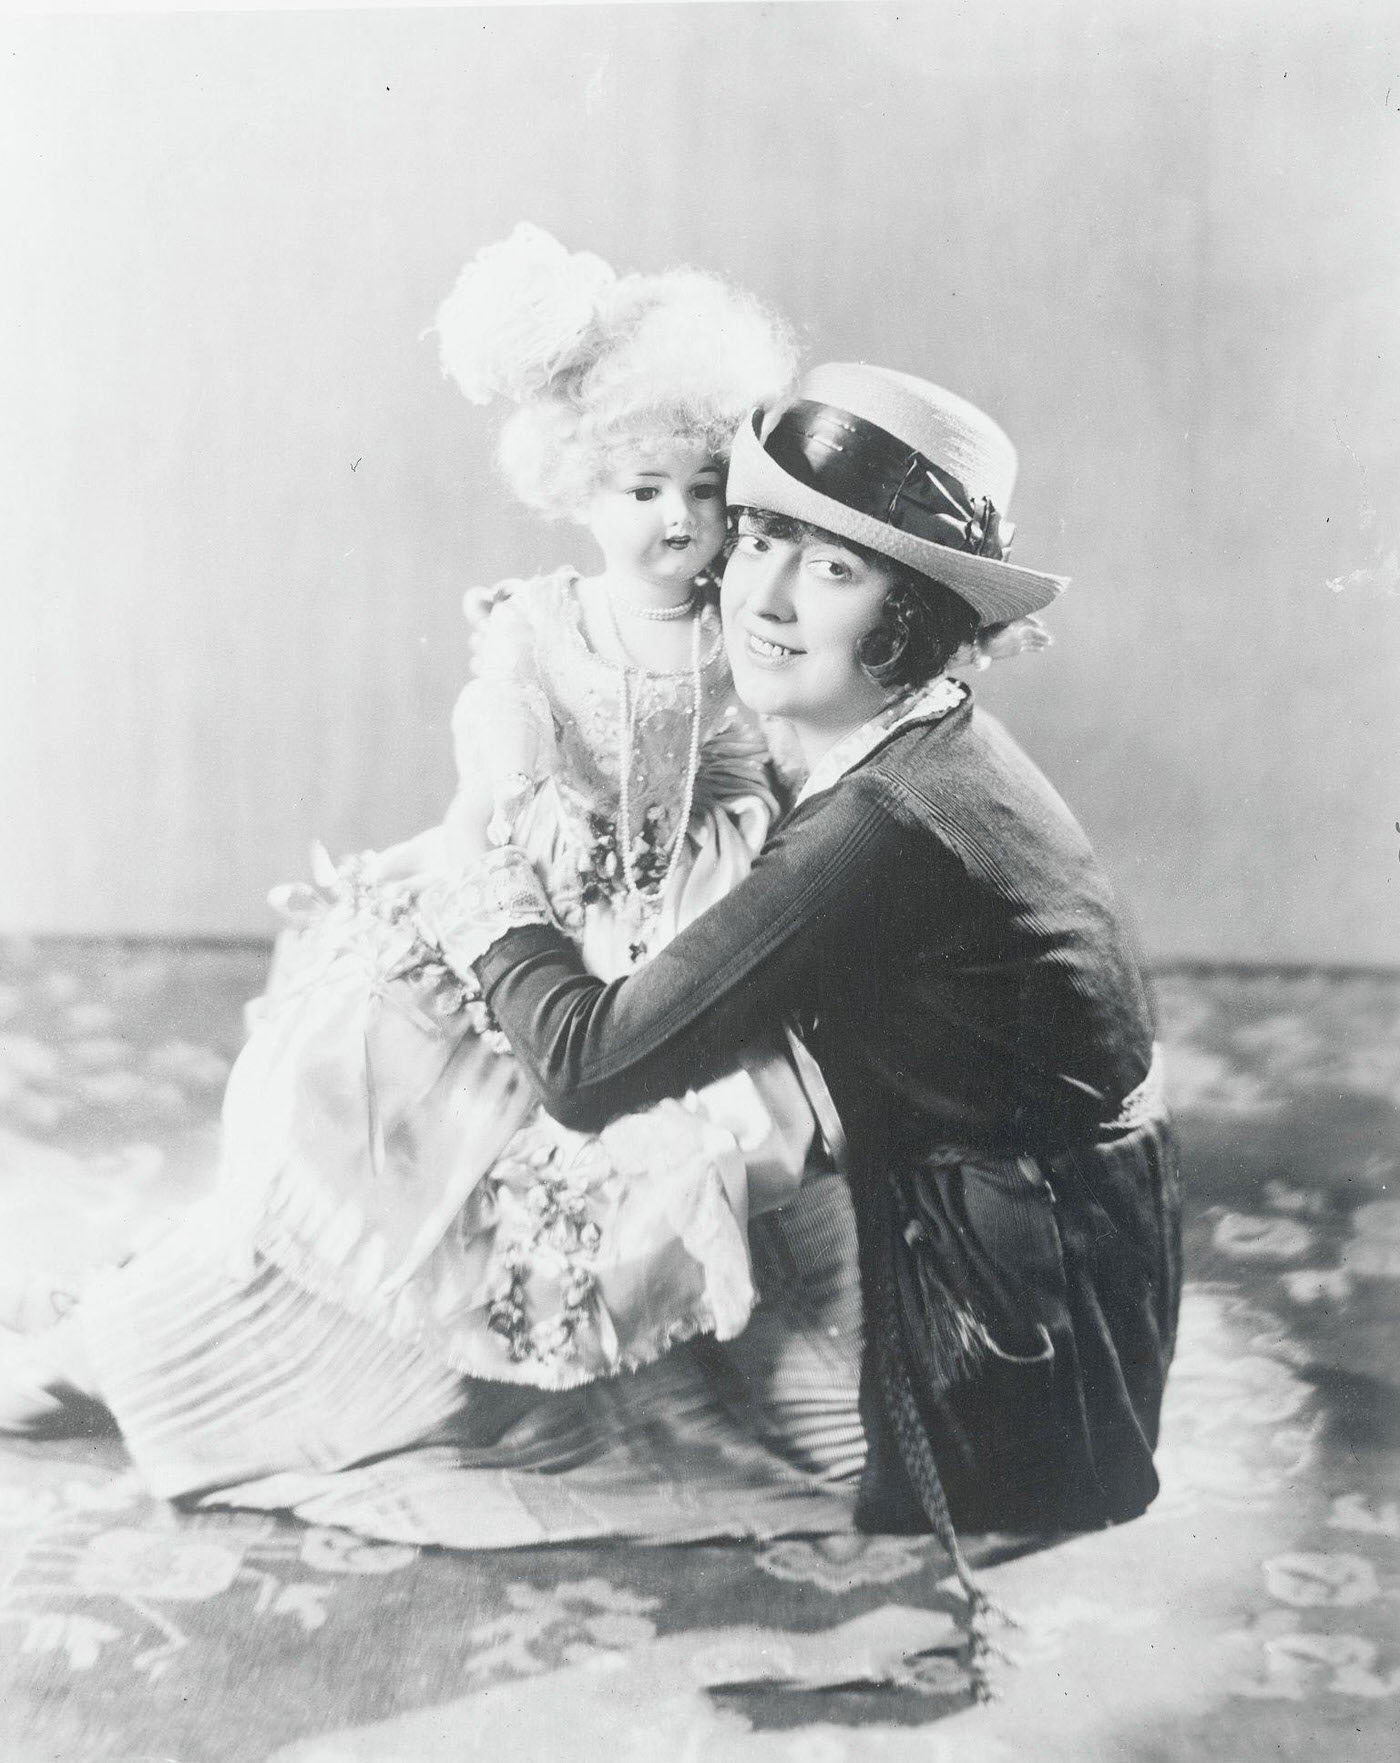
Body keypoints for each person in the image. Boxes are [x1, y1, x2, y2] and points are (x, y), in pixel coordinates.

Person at [0, 227, 824, 1494]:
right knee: (393, 1102)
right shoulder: (545, 622)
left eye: (704, 488)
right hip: (539, 908)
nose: (677, 517)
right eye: (641, 488)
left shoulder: (737, 632)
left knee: (687, 1141)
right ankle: (171, 1345)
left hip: (687, 919)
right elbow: (495, 756)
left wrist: (753, 832)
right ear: (577, 488)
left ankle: (582, 1373)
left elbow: (763, 760)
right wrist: (504, 781)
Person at [421, 361, 1184, 1588]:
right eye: (761, 537)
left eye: (831, 567)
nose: (763, 596)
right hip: (1028, 1218)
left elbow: (583, 1063)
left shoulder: (881, 820)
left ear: (909, 615)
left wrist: (482, 887)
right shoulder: (918, 738)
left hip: (1004, 1319)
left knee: (516, 1167)